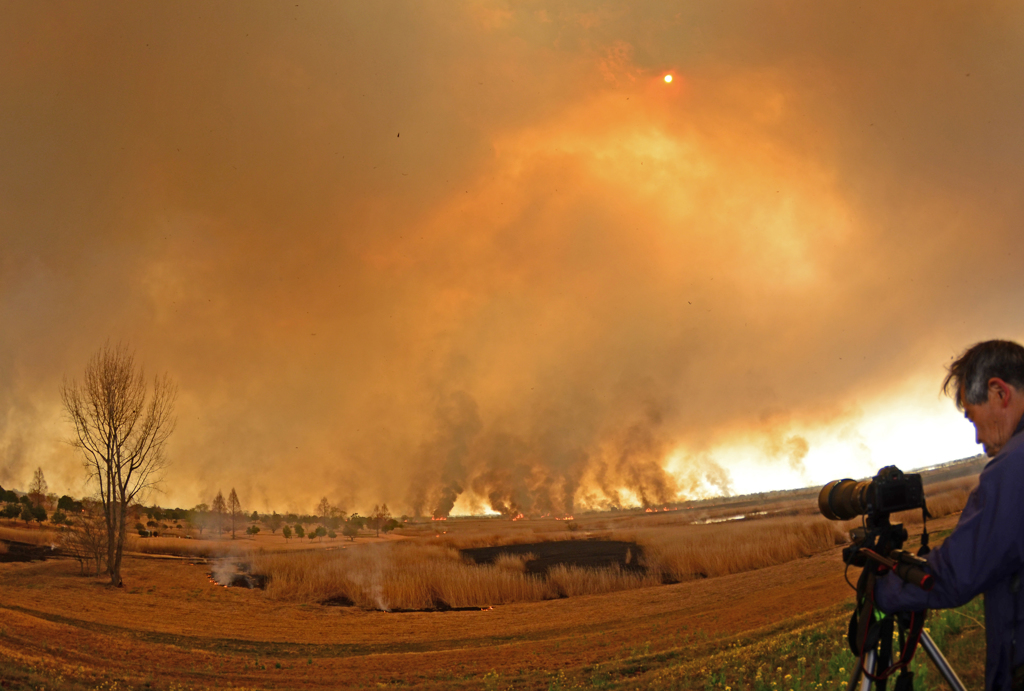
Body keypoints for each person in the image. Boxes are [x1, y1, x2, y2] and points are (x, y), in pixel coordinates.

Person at [875, 339, 1024, 691]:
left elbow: (958, 575)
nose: (976, 438)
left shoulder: (1013, 467)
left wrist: (884, 589)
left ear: (998, 392)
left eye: (973, 416)